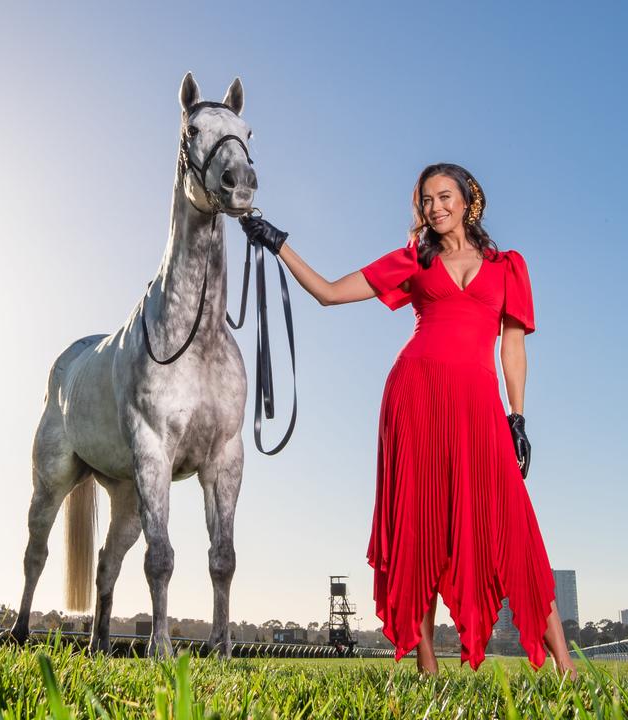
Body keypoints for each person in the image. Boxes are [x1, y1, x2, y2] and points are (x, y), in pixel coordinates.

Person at [239, 163, 577, 677]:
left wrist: (518, 416)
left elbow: (513, 345)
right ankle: (427, 668)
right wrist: (278, 243)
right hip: (414, 398)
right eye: (426, 200)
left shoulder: (509, 265)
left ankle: (566, 666)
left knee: (515, 525)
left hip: (480, 407)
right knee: (416, 529)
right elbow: (330, 293)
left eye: (445, 197)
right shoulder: (413, 260)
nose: (435, 207)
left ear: (470, 201)